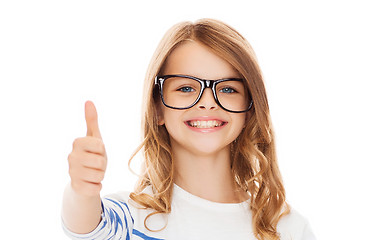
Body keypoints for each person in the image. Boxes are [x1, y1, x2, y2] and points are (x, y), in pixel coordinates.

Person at [61, 18, 316, 240]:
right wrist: (81, 190)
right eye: (185, 88)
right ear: (158, 108)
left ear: (250, 108)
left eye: (228, 88)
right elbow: (86, 226)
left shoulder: (288, 229)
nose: (207, 102)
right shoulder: (133, 220)